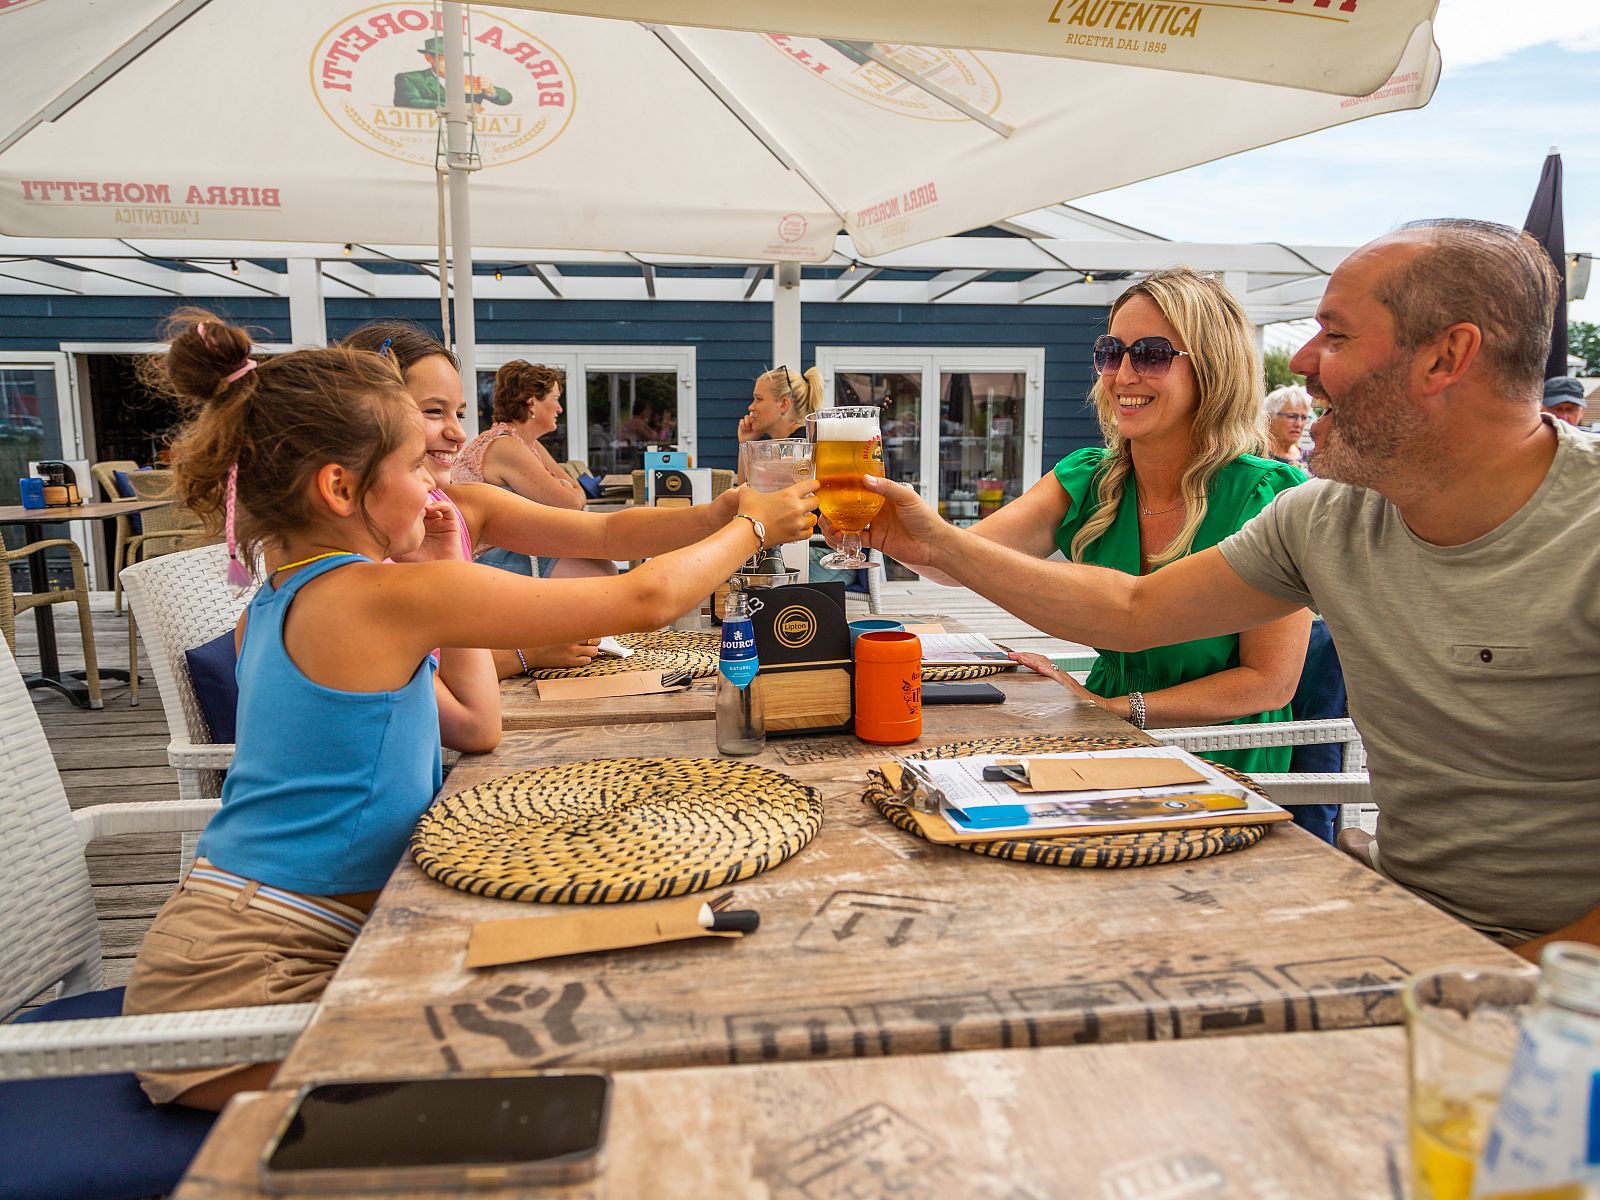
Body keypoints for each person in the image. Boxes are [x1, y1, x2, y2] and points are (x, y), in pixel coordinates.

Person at [829, 219, 1600, 955]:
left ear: (1445, 358)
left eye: (1334, 335)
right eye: (1112, 352)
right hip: (1403, 921)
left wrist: (1508, 988)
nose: (1299, 364)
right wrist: (928, 539)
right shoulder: (1325, 517)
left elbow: (1265, 679)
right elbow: (1137, 610)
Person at [120, 313, 817, 1111]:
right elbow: (646, 597)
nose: (434, 481)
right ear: (340, 487)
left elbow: (479, 727)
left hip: (258, 943)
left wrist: (441, 556)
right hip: (245, 982)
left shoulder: (294, 590)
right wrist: (755, 526)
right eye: (417, 463)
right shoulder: (377, 596)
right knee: (573, 1064)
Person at [957, 268, 1312, 775]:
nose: (1122, 375)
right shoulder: (1090, 479)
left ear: (1213, 368)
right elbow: (957, 560)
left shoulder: (1266, 495)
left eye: (1150, 354)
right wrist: (884, 519)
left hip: (1217, 751)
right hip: (1096, 731)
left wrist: (1119, 710)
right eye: (1110, 352)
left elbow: (1268, 681)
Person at [341, 323, 753, 679]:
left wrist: (716, 514)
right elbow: (648, 595)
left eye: (460, 414)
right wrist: (523, 653)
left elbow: (609, 532)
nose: (458, 433)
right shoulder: (354, 557)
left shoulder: (463, 505)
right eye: (434, 412)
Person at [453, 360, 610, 580]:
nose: (559, 408)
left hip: (510, 546)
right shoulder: (505, 445)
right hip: (479, 558)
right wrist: (566, 488)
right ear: (532, 402)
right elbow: (571, 501)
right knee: (597, 573)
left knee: (601, 565)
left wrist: (569, 489)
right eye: (555, 399)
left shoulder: (527, 443)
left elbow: (573, 491)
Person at [393, 36, 511, 111]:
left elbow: (505, 98)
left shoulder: (468, 81)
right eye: (446, 58)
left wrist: (491, 91)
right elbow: (408, 101)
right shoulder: (410, 79)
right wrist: (459, 108)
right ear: (429, 58)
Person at [737, 364, 826, 461]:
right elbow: (746, 477)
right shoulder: (785, 445)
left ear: (783, 405)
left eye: (759, 399)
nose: (751, 407)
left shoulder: (801, 446)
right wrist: (744, 444)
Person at [1263, 384, 1315, 465]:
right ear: (1270, 418)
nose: (1299, 424)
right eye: (1291, 416)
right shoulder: (1256, 458)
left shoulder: (1308, 459)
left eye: (1304, 418)